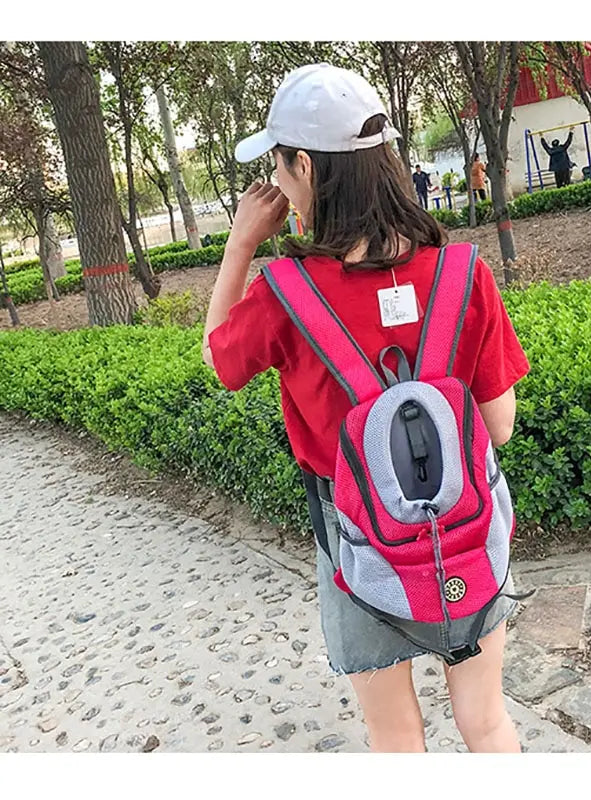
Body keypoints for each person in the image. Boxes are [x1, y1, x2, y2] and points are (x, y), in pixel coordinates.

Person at [202, 63, 530, 753]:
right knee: (486, 719)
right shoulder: (464, 273)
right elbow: (498, 426)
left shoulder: (284, 294)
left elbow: (219, 360)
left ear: (304, 166)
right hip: (467, 533)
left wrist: (241, 243)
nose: (278, 180)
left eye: (279, 165)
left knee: (395, 733)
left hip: (357, 543)